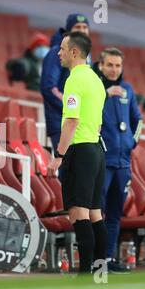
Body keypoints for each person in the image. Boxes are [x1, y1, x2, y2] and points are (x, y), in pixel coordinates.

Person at [47, 32, 107, 274]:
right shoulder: (96, 79)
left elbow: (71, 120)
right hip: (96, 150)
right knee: (95, 214)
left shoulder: (74, 80)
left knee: (78, 214)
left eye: (62, 49)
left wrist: (59, 155)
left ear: (74, 52)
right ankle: (99, 274)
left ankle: (84, 276)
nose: (58, 53)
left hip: (80, 151)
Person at [93, 48, 143, 273]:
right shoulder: (93, 87)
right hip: (102, 161)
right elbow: (82, 114)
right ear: (101, 65)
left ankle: (108, 258)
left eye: (117, 65)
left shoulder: (128, 90)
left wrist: (132, 142)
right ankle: (94, 260)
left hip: (123, 164)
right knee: (96, 212)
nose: (114, 69)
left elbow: (138, 120)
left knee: (114, 214)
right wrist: (104, 93)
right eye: (110, 65)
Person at [41, 13, 90, 151]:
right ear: (69, 31)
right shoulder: (57, 53)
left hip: (80, 123)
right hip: (61, 123)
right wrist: (72, 106)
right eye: (77, 27)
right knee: (67, 167)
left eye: (85, 27)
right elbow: (49, 88)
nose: (82, 30)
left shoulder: (86, 55)